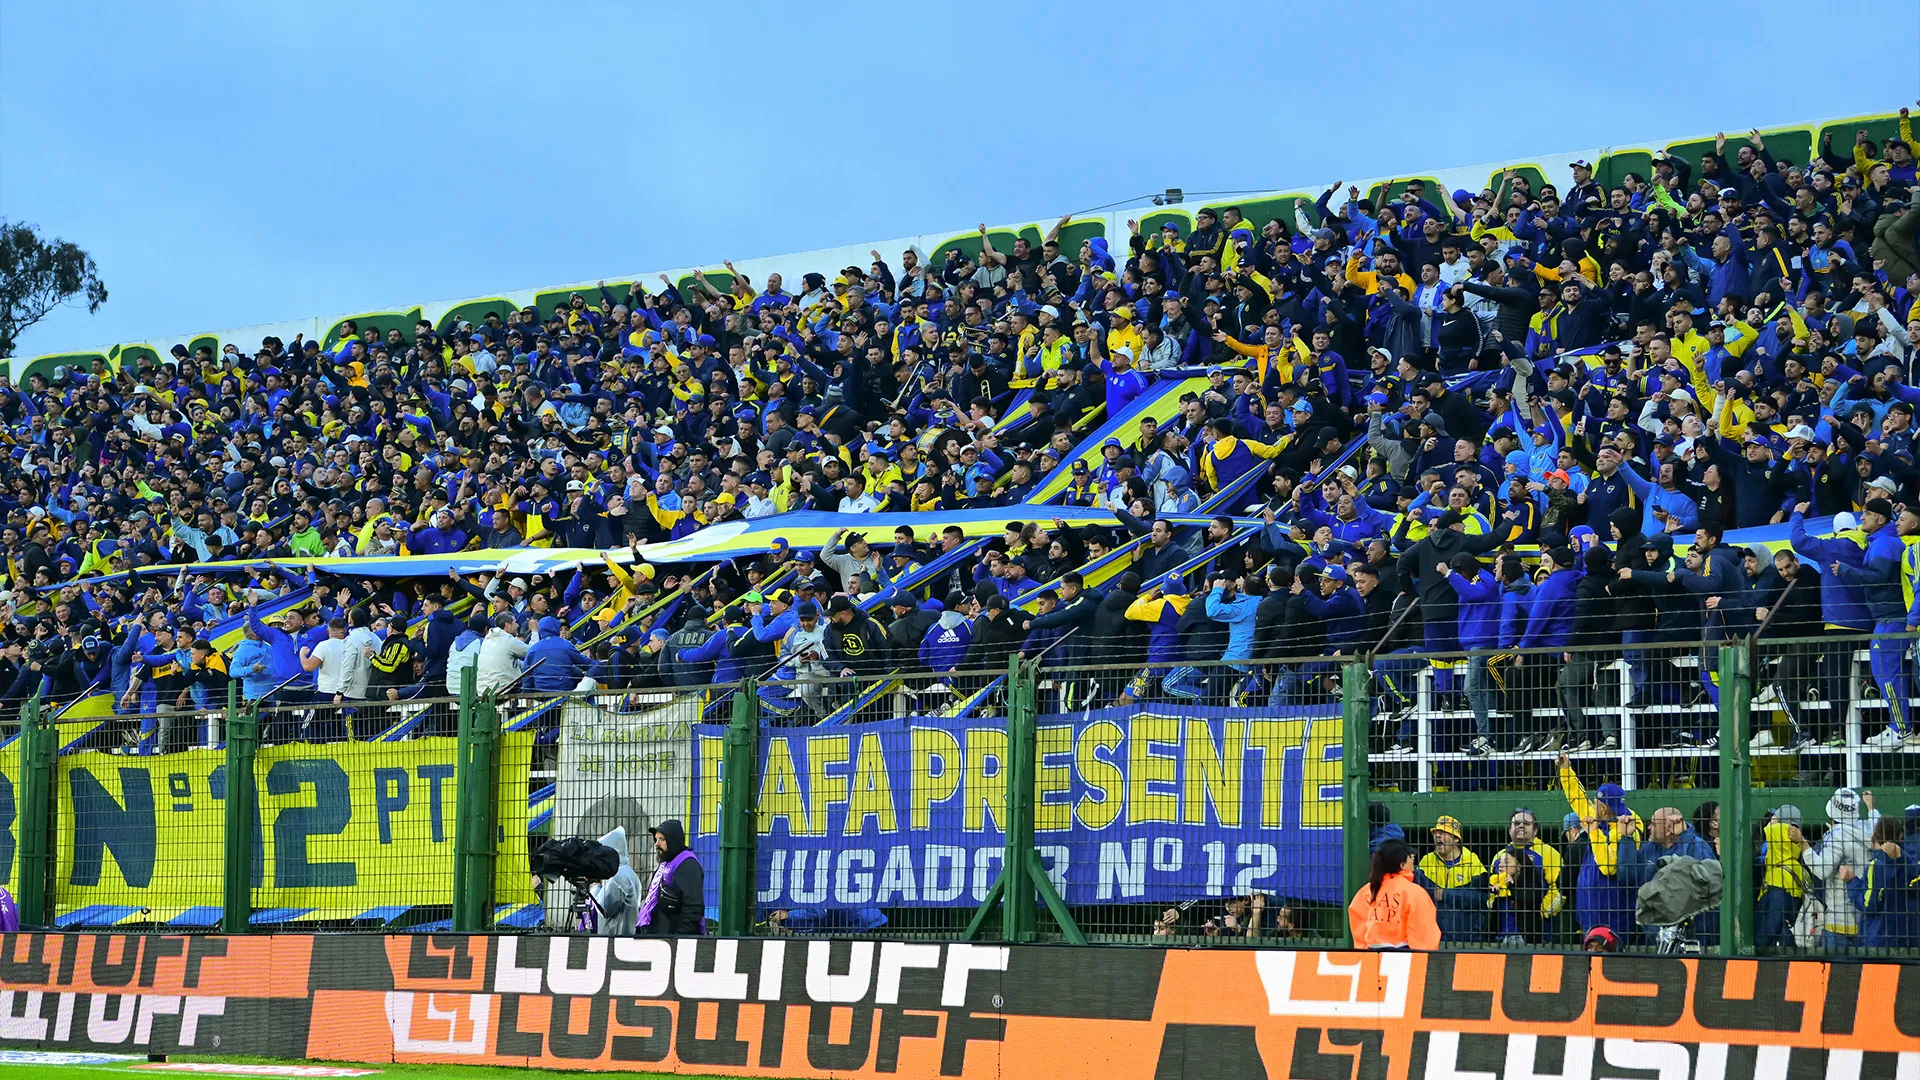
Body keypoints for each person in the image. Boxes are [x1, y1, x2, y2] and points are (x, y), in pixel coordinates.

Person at [1558, 753, 1643, 936]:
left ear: (1603, 809)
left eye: (1595, 804)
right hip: (1590, 915)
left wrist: (1593, 832)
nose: (1592, 806)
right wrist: (1566, 771)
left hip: (1614, 918)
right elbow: (1577, 800)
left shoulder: (1627, 829)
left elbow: (1609, 867)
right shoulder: (1602, 819)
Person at [1348, 837, 1440, 950]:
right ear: (1402, 865)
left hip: (1371, 957)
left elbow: (1359, 930)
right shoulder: (1415, 893)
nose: (1412, 860)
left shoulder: (1367, 891)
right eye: (1409, 857)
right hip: (1404, 958)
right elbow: (1424, 937)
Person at [639, 819, 705, 936]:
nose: (657, 844)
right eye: (656, 839)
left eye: (662, 839)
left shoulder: (688, 865)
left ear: (673, 840)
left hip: (674, 941)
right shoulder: (665, 863)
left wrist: (679, 938)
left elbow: (693, 907)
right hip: (659, 938)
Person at [589, 826, 641, 937]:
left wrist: (594, 887)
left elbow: (604, 908)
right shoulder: (629, 873)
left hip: (615, 940)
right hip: (626, 937)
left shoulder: (618, 876)